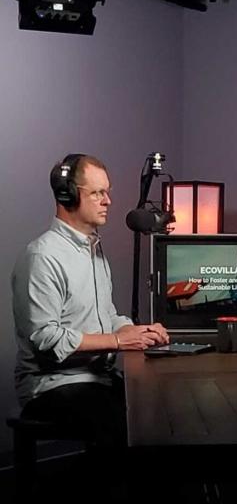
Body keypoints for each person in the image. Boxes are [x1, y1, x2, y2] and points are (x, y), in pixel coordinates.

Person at [11, 153, 169, 449]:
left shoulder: (94, 250)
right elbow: (47, 340)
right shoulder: (42, 257)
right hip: (53, 386)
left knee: (162, 406)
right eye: (97, 193)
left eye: (107, 191)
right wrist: (118, 342)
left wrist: (137, 331)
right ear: (67, 195)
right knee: (120, 425)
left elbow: (106, 316)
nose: (108, 200)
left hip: (98, 379)